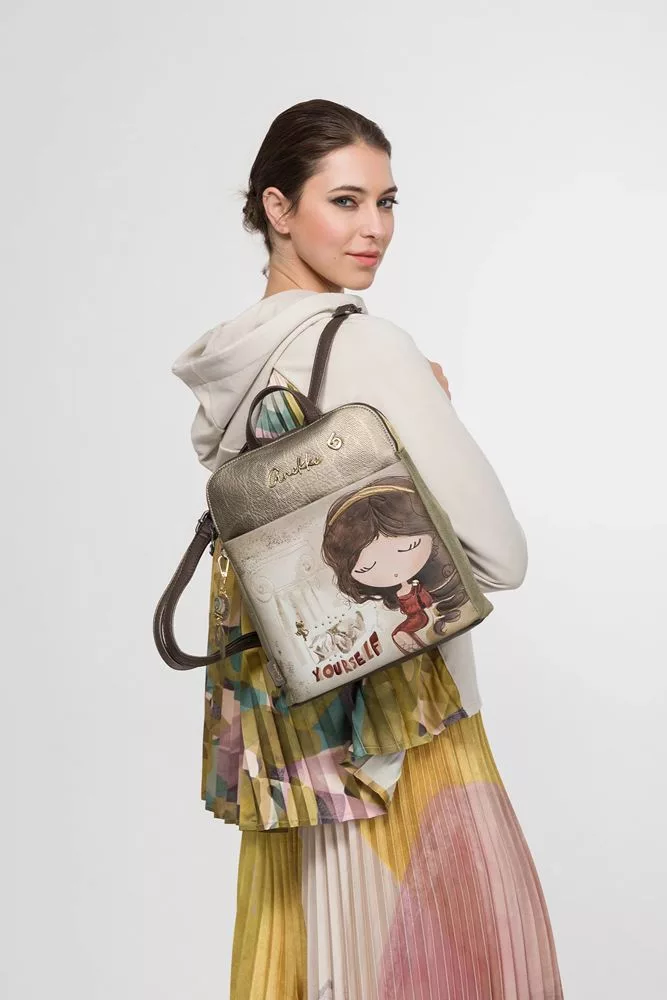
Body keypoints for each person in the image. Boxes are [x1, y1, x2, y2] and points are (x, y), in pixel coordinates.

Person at [171, 99, 564, 1000]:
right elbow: (499, 559)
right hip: (404, 745)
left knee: (320, 970)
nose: (374, 229)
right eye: (344, 201)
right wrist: (427, 415)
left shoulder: (230, 377)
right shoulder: (369, 348)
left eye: (386, 202)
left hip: (293, 760)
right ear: (278, 208)